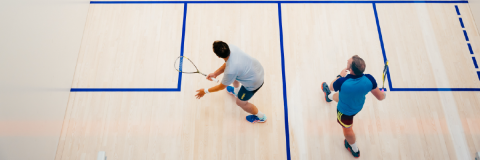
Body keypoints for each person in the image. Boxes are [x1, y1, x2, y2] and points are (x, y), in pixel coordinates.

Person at [322, 55, 386, 158]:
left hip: (345, 112)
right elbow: (380, 97)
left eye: (349, 61)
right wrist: (384, 94)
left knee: (348, 130)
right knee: (341, 95)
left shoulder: (343, 81)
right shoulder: (369, 79)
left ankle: (354, 149)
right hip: (357, 105)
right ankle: (328, 96)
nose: (347, 60)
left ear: (351, 69)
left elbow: (331, 86)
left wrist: (340, 76)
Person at [195, 40, 267, 123]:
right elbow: (228, 63)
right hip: (257, 69)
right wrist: (215, 73)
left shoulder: (230, 71)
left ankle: (261, 117)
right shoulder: (232, 48)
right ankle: (236, 91)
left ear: (218, 56)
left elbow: (221, 87)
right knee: (235, 76)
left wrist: (205, 91)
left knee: (240, 103)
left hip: (254, 83)